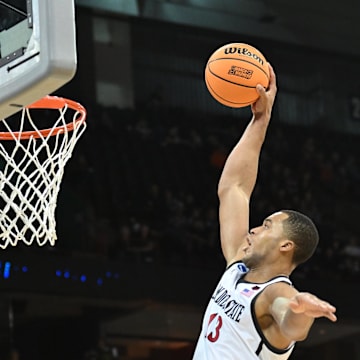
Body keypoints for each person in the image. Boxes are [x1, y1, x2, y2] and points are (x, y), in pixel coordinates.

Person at [192, 64, 337, 360]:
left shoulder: (276, 294)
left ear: (286, 245)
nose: (255, 229)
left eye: (267, 225)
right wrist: (261, 119)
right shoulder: (238, 263)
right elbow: (234, 188)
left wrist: (301, 312)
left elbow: (289, 323)